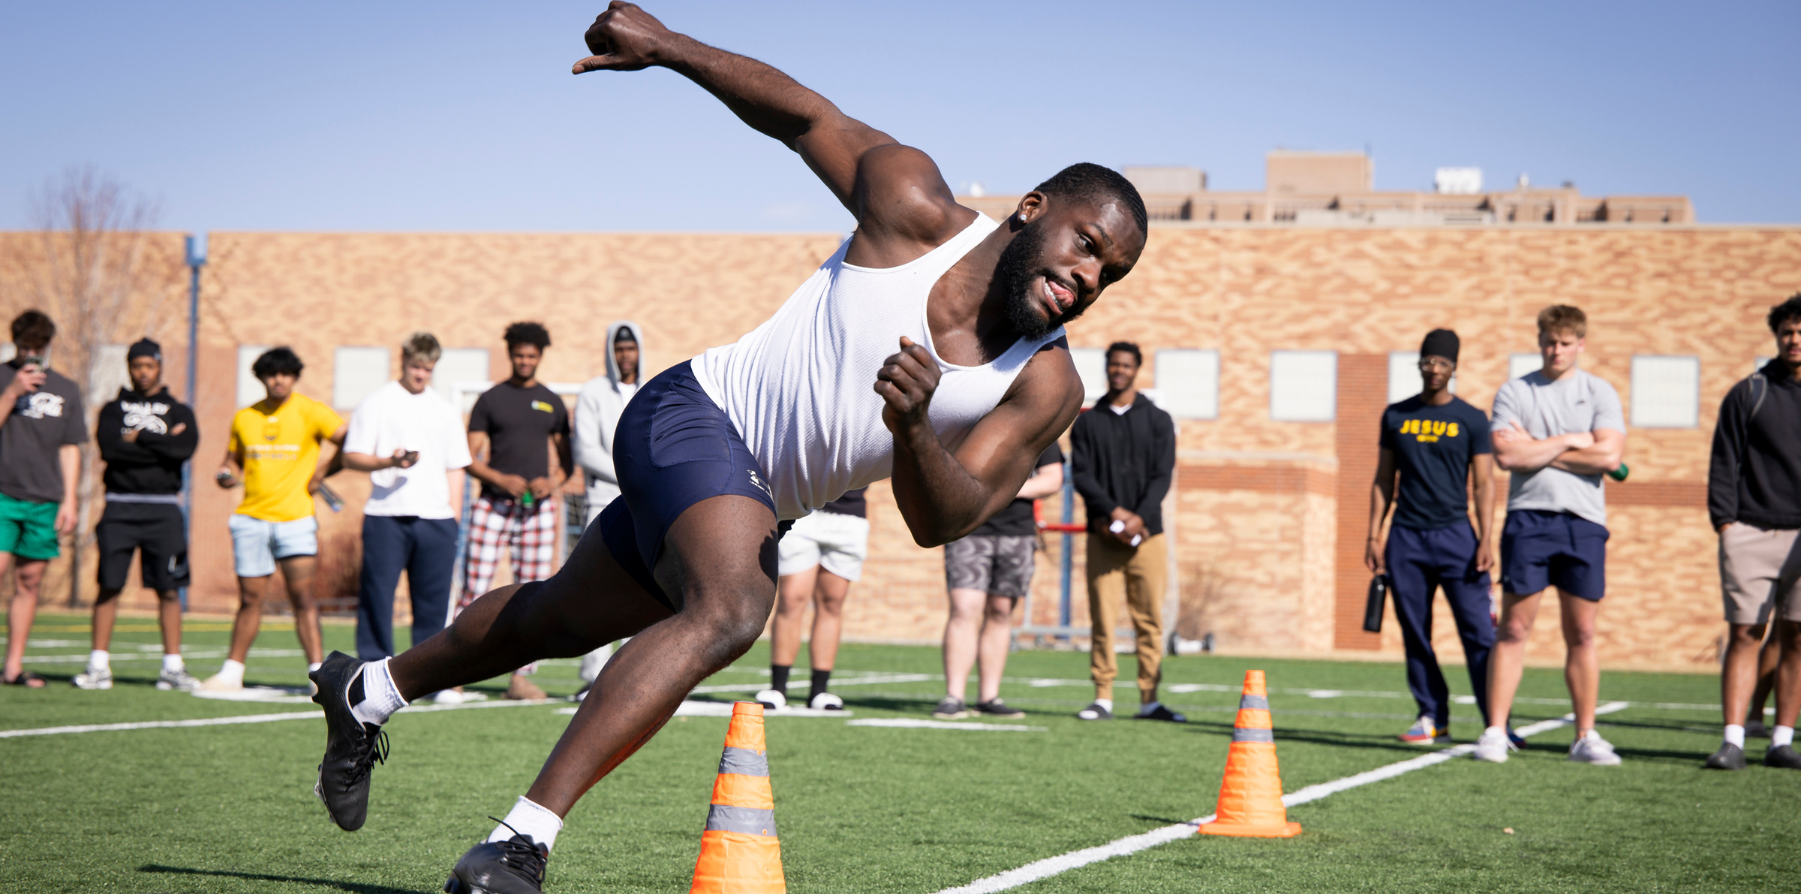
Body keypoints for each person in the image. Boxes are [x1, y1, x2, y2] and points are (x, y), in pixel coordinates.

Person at [305, 7, 1147, 890]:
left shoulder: (1046, 385)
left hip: (748, 501)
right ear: (1033, 209)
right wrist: (668, 48)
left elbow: (948, 517)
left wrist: (910, 433)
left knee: (554, 620)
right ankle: (519, 843)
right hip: (692, 413)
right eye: (1085, 245)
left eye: (1108, 275)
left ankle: (366, 691)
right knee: (735, 607)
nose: (1087, 277)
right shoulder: (912, 205)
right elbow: (803, 117)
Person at [1478, 305, 1627, 765]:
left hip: (1583, 523)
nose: (1555, 350)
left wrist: (1539, 448)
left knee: (1582, 631)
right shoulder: (1515, 391)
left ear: (1580, 344)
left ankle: (1585, 735)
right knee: (1515, 628)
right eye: (1548, 341)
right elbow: (1506, 458)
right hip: (1529, 520)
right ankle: (1495, 731)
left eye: (1565, 343)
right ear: (1539, 340)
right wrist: (1571, 440)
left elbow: (1608, 458)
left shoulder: (1599, 391)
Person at [1364, 329, 1497, 744]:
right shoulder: (1396, 416)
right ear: (1419, 365)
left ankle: (1497, 721)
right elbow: (1384, 479)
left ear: (1454, 368)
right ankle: (1431, 715)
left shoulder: (1472, 419)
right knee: (1414, 630)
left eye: (1442, 363)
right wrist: (1373, 534)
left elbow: (1485, 484)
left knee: (1478, 631)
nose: (1434, 369)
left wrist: (1487, 537)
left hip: (1458, 535)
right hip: (1406, 537)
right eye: (1428, 362)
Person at [204, 346, 344, 692]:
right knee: (250, 600)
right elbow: (232, 462)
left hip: (296, 520)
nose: (278, 380)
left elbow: (349, 440)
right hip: (251, 519)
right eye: (271, 374)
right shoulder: (244, 417)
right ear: (261, 378)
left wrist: (323, 472)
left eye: (284, 374)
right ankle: (232, 672)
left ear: (294, 377)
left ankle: (319, 676)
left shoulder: (311, 411)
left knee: (303, 599)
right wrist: (226, 473)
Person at [340, 333, 472, 698]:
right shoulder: (376, 403)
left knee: (433, 605)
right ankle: (372, 680)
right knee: (377, 599)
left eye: (428, 369)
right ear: (403, 361)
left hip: (436, 520)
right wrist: (389, 461)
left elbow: (457, 467)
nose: (421, 374)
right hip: (386, 515)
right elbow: (351, 456)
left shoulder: (444, 409)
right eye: (416, 366)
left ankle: (430, 681)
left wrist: (454, 519)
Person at [1703, 293, 1801, 771]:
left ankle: (1781, 740)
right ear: (1776, 337)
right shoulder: (1750, 391)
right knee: (1745, 632)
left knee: (1798, 636)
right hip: (1751, 531)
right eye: (1787, 331)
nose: (1794, 339)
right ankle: (1733, 740)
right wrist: (1726, 522)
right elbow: (1724, 460)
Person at [76, 338, 200, 691]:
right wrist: (158, 445)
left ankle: (172, 668)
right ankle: (98, 666)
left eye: (149, 365)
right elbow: (111, 450)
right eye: (136, 365)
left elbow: (183, 449)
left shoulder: (180, 411)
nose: (143, 372)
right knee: (109, 585)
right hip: (119, 506)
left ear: (159, 366)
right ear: (129, 367)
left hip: (164, 510)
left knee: (169, 588)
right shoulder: (113, 409)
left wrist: (138, 438)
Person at [459, 321, 572, 702]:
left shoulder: (552, 402)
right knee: (474, 588)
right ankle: (453, 670)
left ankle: (520, 677)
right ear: (510, 355)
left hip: (538, 511)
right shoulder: (490, 400)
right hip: (491, 506)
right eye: (519, 355)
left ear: (540, 357)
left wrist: (551, 482)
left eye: (531, 356)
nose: (525, 361)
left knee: (533, 595)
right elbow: (468, 457)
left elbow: (567, 465)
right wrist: (499, 478)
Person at [1069, 342, 1181, 723]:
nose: (1119, 370)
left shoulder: (1159, 420)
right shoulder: (1086, 421)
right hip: (1102, 536)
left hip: (1148, 536)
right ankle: (1103, 697)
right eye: (1114, 364)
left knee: (1149, 619)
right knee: (1103, 617)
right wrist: (1114, 514)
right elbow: (1082, 476)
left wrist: (1138, 518)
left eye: (1126, 365)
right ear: (1107, 368)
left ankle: (1150, 698)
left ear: (1137, 370)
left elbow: (1162, 476)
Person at [933, 445, 1063, 720]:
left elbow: (1053, 478)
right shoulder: (968, 416)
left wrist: (1004, 489)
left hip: (1016, 532)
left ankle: (988, 697)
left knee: (1001, 611)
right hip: (968, 528)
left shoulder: (1037, 420)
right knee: (964, 608)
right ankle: (953, 696)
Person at [0, 310, 84, 688]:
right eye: (24, 348)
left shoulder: (66, 389)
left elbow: (70, 448)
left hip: (44, 499)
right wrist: (13, 392)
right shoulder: (3, 377)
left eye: (37, 349)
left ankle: (13, 667)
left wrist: (70, 501)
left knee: (29, 582)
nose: (31, 355)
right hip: (3, 494)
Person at [570, 322, 643, 697]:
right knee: (599, 588)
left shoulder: (651, 390)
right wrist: (630, 470)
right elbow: (584, 450)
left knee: (643, 590)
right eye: (619, 348)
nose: (625, 355)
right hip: (603, 499)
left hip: (645, 502)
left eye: (631, 348)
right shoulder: (593, 392)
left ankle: (634, 676)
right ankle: (593, 679)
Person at [757, 487, 870, 711]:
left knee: (832, 602)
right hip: (804, 509)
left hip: (849, 517)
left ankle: (819, 691)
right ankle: (778, 688)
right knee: (792, 598)